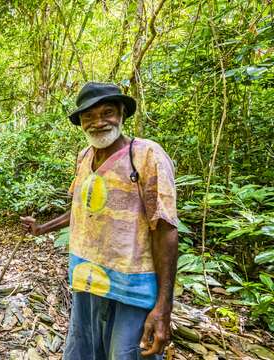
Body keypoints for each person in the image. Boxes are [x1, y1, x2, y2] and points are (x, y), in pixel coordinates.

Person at [21, 82, 178, 359]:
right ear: (81, 123)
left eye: (107, 113)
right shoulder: (85, 156)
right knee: (85, 351)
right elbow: (80, 209)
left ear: (122, 114)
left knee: (127, 354)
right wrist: (41, 228)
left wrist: (163, 308)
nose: (98, 122)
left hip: (132, 287)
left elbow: (164, 228)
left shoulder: (146, 155)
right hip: (87, 279)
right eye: (88, 117)